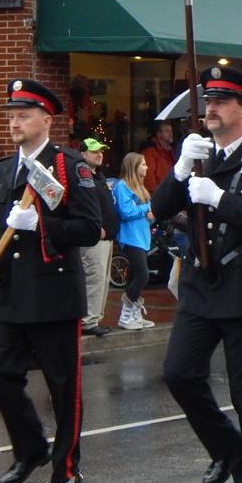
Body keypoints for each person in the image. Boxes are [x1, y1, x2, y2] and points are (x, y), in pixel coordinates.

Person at [152, 66, 242, 483]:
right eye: (208, 100)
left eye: (221, 101)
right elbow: (159, 209)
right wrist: (177, 171)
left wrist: (219, 199)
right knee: (179, 372)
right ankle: (227, 446)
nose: (210, 108)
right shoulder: (197, 155)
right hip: (200, 285)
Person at [0, 79, 101, 483]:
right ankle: (30, 449)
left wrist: (43, 225)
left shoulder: (69, 167)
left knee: (63, 386)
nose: (14, 122)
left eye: (23, 115)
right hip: (10, 292)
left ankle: (67, 469)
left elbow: (90, 228)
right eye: (11, 116)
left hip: (54, 293)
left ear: (46, 119)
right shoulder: (5, 169)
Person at [78, 137, 118, 338]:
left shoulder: (100, 177)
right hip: (94, 239)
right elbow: (84, 208)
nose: (99, 154)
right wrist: (95, 228)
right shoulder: (83, 179)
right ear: (83, 154)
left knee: (103, 278)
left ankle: (95, 318)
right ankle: (88, 320)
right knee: (94, 277)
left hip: (106, 237)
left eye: (101, 150)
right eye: (94, 151)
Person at [113, 152, 155, 331]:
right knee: (142, 274)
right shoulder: (123, 186)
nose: (146, 167)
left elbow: (146, 214)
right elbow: (126, 212)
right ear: (133, 166)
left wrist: (151, 214)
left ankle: (133, 314)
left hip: (142, 236)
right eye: (143, 164)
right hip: (131, 237)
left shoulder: (141, 188)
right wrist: (147, 207)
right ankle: (126, 313)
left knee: (133, 276)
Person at [142, 120, 176, 195]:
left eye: (171, 131)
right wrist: (159, 196)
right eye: (167, 131)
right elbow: (148, 179)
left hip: (170, 193)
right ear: (159, 134)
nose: (171, 134)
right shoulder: (150, 152)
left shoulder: (170, 151)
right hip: (159, 196)